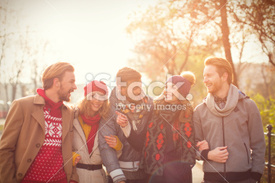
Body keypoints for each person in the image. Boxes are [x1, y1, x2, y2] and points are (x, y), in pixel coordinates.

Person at [0, 62, 78, 183]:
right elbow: (5, 150)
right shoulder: (22, 106)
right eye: (71, 81)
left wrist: (73, 179)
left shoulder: (69, 112)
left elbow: (70, 148)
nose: (75, 87)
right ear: (56, 82)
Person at [194, 57, 266, 183]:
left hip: (244, 179)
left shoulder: (248, 106)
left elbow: (259, 144)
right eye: (204, 76)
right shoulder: (200, 110)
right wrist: (208, 155)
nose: (205, 80)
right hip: (211, 179)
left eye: (209, 75)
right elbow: (191, 145)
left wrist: (255, 176)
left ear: (224, 76)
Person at [116, 72, 196, 183]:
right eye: (166, 87)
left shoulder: (189, 115)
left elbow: (197, 141)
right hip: (154, 174)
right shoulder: (154, 111)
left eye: (172, 87)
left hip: (179, 175)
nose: (166, 90)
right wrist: (125, 126)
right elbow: (140, 143)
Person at [98, 67, 153, 183]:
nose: (138, 91)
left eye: (139, 86)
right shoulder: (109, 107)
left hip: (145, 174)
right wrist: (117, 176)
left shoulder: (149, 103)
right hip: (119, 174)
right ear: (120, 88)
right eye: (133, 88)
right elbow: (106, 145)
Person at [72, 80, 122, 183]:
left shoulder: (106, 122)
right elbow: (62, 145)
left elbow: (109, 159)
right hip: (76, 176)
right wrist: (70, 156)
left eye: (102, 97)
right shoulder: (73, 117)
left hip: (99, 177)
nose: (98, 100)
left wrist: (118, 146)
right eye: (94, 96)